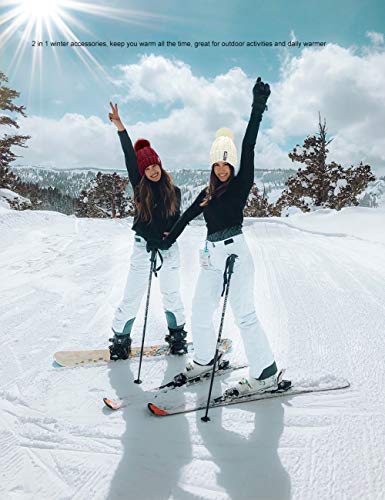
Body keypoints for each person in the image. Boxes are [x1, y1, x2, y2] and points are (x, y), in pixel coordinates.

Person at [158, 78, 278, 395]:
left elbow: (250, 144)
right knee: (200, 309)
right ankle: (206, 359)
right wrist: (167, 239)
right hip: (211, 255)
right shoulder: (207, 193)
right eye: (218, 164)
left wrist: (257, 108)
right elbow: (186, 217)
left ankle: (266, 373)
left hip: (236, 252)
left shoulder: (240, 185)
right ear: (212, 165)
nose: (222, 169)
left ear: (232, 165)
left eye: (226, 164)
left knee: (244, 314)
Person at [108, 102, 187, 360]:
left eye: (155, 166)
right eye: (147, 168)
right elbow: (129, 157)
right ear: (142, 172)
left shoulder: (173, 192)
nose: (152, 171)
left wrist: (168, 239)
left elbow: (177, 222)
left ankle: (177, 336)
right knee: (132, 294)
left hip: (168, 250)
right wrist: (120, 127)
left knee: (172, 293)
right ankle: (120, 339)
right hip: (143, 247)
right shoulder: (139, 186)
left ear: (160, 166)